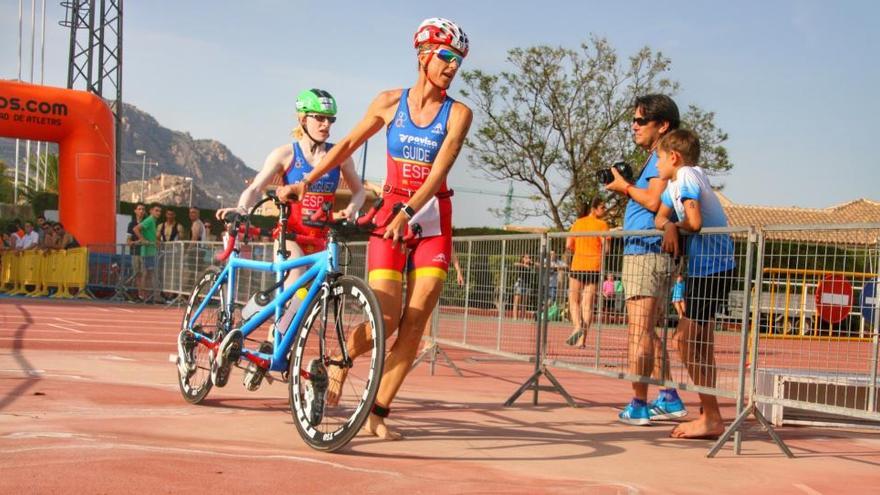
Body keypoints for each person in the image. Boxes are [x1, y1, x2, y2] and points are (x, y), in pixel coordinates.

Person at [277, 17, 472, 440]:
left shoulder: (459, 113)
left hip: (432, 219)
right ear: (423, 56)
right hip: (391, 217)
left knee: (415, 323)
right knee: (384, 318)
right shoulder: (388, 102)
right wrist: (304, 181)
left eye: (458, 61)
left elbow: (439, 174)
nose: (452, 67)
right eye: (446, 57)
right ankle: (340, 360)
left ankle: (378, 412)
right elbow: (347, 145)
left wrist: (411, 212)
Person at [216, 88, 365, 341]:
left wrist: (351, 210)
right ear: (302, 119)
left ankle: (271, 327)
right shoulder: (285, 154)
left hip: (321, 239)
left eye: (331, 119)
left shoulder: (338, 156)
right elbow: (255, 187)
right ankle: (275, 335)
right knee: (296, 285)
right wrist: (242, 208)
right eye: (319, 118)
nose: (326, 124)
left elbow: (359, 191)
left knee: (309, 297)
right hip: (291, 236)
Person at [605, 94, 685, 425]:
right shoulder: (660, 158)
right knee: (647, 330)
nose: (633, 126)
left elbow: (654, 201)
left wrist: (624, 188)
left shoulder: (661, 159)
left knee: (637, 331)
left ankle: (638, 403)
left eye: (640, 121)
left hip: (644, 252)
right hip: (650, 252)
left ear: (662, 125)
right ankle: (668, 397)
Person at [653, 128, 735, 439]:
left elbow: (696, 222)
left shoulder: (686, 174)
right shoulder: (677, 183)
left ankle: (712, 417)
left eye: (660, 159)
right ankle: (709, 413)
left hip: (713, 268)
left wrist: (674, 225)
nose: (657, 165)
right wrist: (670, 225)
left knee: (684, 342)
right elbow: (659, 217)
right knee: (699, 345)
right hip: (704, 269)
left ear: (673, 157)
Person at [565, 197, 609, 348]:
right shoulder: (602, 225)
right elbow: (607, 248)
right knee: (587, 304)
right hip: (594, 266)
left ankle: (577, 326)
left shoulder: (578, 223)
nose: (605, 210)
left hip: (578, 264)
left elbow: (569, 244)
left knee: (574, 300)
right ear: (594, 208)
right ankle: (582, 340)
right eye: (602, 207)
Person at [134, 204, 162, 303]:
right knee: (146, 274)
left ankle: (147, 296)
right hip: (147, 252)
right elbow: (136, 229)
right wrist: (142, 239)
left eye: (159, 211)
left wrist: (156, 241)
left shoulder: (153, 221)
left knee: (149, 274)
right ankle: (143, 296)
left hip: (151, 251)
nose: (158, 213)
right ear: (151, 211)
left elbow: (151, 235)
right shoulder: (149, 220)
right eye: (156, 210)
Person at [127, 204, 147, 301]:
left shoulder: (147, 223)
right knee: (137, 274)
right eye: (139, 209)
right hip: (135, 252)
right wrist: (137, 242)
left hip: (146, 252)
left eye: (143, 209)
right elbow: (128, 242)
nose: (141, 211)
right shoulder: (131, 224)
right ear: (135, 211)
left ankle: (145, 294)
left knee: (145, 273)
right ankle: (140, 295)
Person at [512, 254, 536, 320]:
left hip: (527, 284)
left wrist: (532, 262)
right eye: (526, 257)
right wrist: (524, 264)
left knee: (524, 302)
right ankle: (515, 317)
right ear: (523, 258)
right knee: (517, 300)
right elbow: (515, 264)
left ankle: (523, 317)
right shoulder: (521, 265)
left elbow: (538, 265)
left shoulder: (531, 266)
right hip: (520, 283)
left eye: (529, 257)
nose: (528, 259)